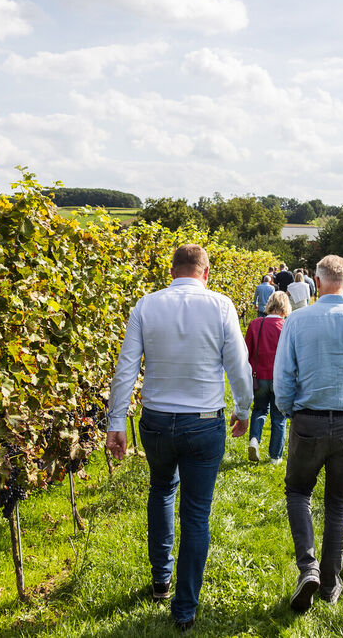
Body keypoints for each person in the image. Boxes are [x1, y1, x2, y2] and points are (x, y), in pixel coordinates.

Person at [105, 244, 253, 631]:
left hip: (155, 420)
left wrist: (116, 422)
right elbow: (238, 364)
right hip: (204, 421)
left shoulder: (146, 305)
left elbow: (126, 368)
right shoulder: (221, 306)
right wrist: (244, 409)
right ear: (206, 272)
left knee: (161, 491)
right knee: (197, 514)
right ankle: (185, 607)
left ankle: (160, 580)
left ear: (172, 271)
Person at [273, 254, 343, 612]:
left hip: (309, 419)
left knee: (298, 491)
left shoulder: (297, 320)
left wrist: (289, 409)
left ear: (316, 284)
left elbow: (283, 375)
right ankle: (330, 583)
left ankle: (308, 567)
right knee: (339, 505)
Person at [244, 291, 291, 464]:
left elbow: (246, 352)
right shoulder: (286, 326)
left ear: (269, 304)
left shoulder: (256, 324)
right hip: (280, 379)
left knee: (259, 410)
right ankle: (275, 457)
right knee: (279, 418)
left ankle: (254, 440)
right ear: (285, 307)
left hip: (259, 377)